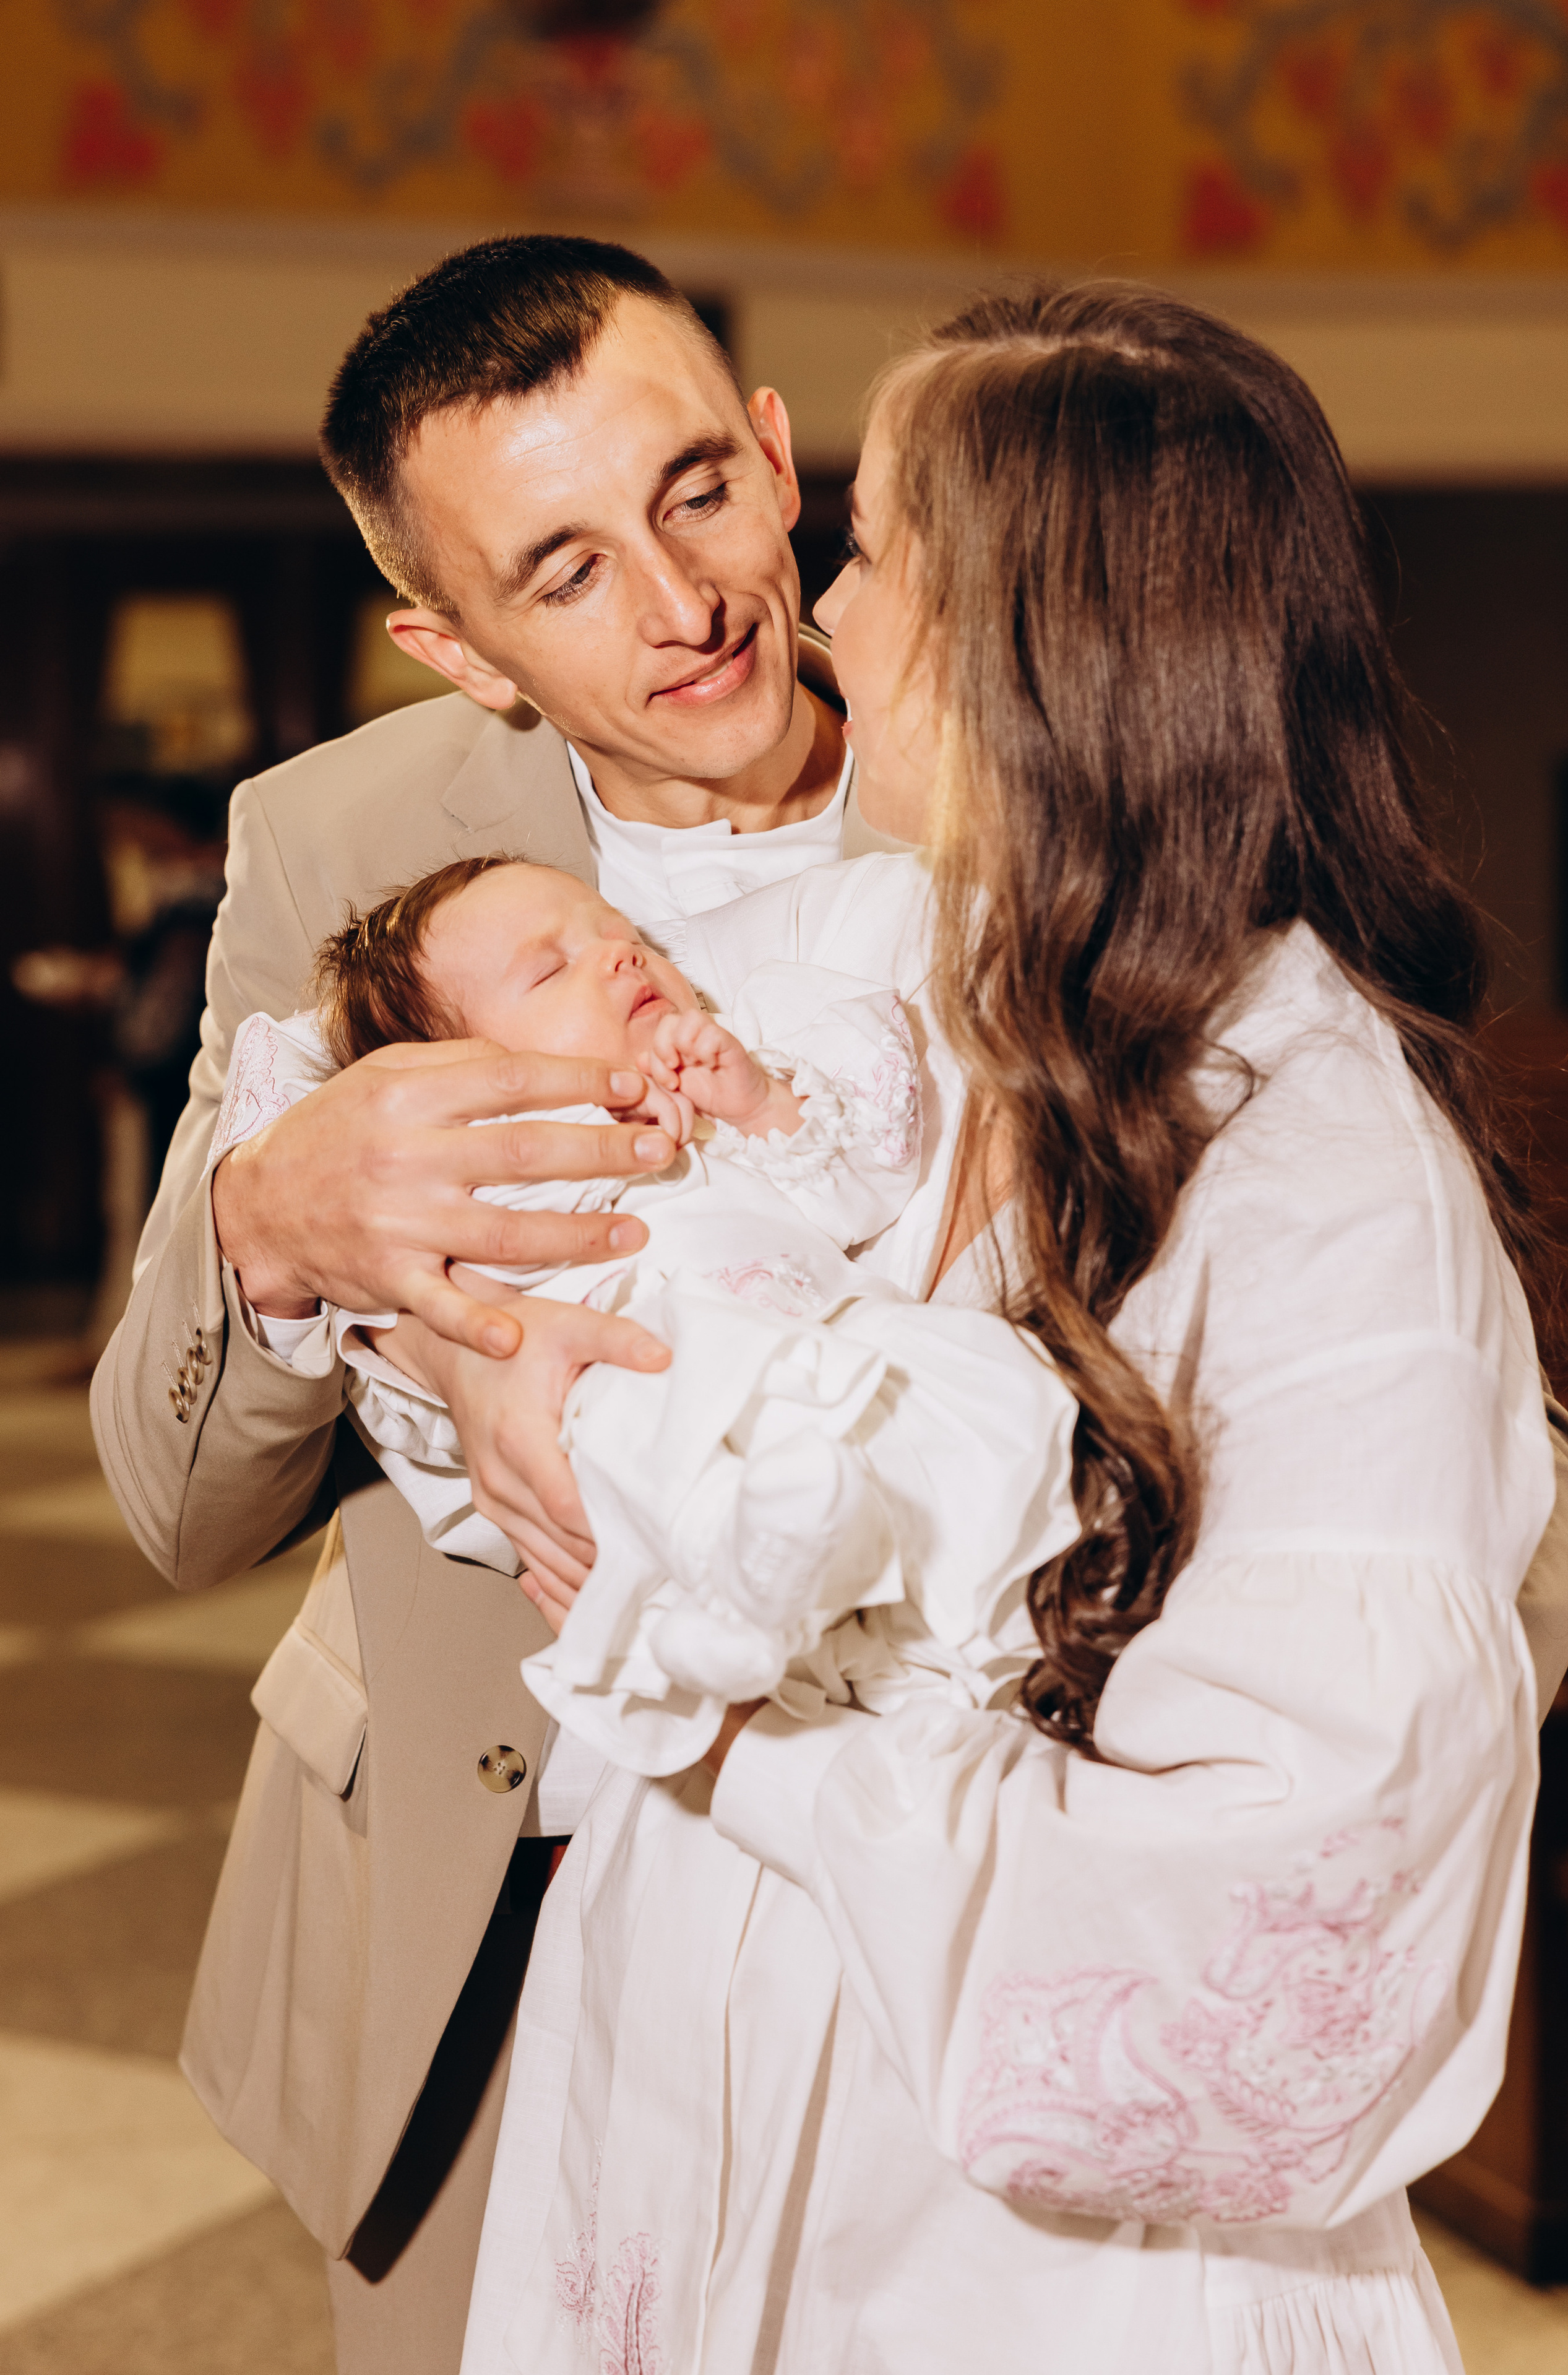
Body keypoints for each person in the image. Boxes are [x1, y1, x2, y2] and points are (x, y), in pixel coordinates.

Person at [462, 285, 1568, 2374]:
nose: (823, 616)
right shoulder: (983, 1027)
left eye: (873, 547)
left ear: (1031, 642)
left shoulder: (1325, 1176)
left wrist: (735, 1726)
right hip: (726, 2154)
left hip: (1033, 2278)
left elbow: (1268, 1949)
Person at [87, 233, 911, 2375]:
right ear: (453, 645)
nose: (683, 603)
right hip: (510, 1890)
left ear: (777, 448)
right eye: (561, 572)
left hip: (961, 1860)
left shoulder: (1030, 750)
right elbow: (174, 1503)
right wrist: (273, 1221)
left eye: (698, 492)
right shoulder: (333, 842)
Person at [218, 852, 1078, 1772]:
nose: (622, 958)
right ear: (448, 1073)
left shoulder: (711, 1103)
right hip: (636, 1390)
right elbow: (400, 1377)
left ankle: (994, 1596)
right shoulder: (452, 1183)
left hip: (828, 1354)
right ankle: (743, 1601)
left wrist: (761, 1102)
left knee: (976, 1392)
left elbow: (859, 1192)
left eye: (626, 940)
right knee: (638, 1432)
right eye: (552, 968)